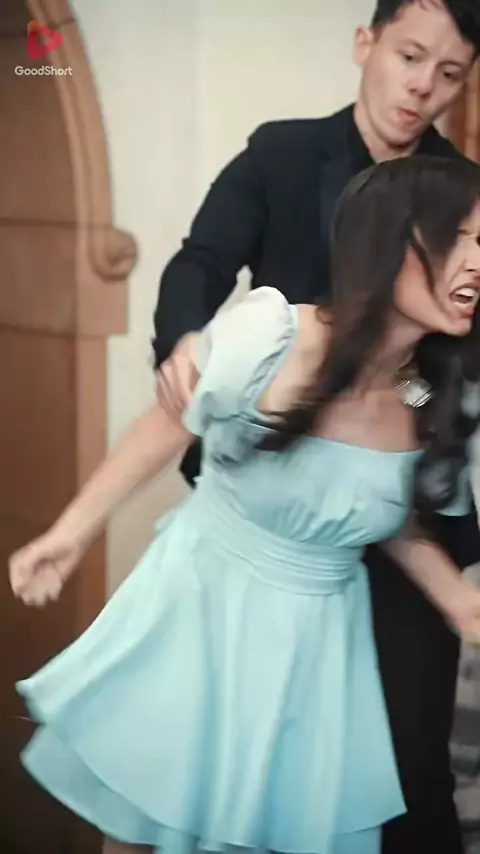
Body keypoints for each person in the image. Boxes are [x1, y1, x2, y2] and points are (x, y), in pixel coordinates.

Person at [9, 155, 480, 854]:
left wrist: (457, 600)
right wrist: (70, 534)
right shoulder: (272, 333)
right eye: (459, 237)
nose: (477, 262)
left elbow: (370, 504)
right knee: (152, 825)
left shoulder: (422, 393)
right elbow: (171, 423)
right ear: (389, 238)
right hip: (206, 608)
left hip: (319, 645)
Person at [152, 2, 480, 852]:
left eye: (450, 74)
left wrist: (410, 402)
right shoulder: (284, 154)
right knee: (236, 752)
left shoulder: (462, 192)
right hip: (277, 500)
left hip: (394, 500)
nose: (424, 87)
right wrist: (189, 352)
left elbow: (457, 358)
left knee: (407, 763)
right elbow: (200, 264)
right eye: (410, 56)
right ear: (365, 43)